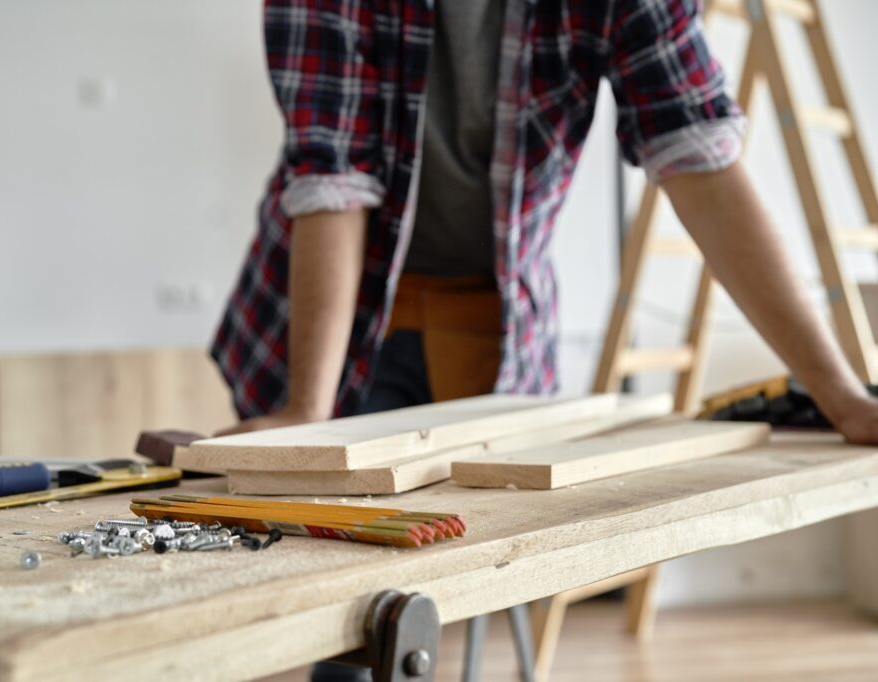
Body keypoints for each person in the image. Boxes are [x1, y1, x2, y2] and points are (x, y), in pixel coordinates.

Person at [213, 0, 878, 677]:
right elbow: (332, 185)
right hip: (333, 324)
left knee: (478, 581)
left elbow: (704, 165)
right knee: (345, 608)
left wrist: (842, 397)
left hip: (495, 324)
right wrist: (307, 416)